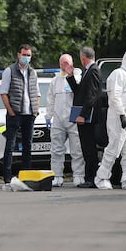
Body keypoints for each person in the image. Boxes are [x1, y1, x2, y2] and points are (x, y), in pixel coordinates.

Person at [95, 47, 126, 190]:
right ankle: (101, 176)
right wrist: (121, 114)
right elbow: (114, 95)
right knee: (114, 148)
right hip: (118, 117)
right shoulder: (118, 74)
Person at [0, 44, 40, 192]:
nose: (26, 57)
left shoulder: (32, 73)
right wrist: (10, 111)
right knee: (10, 146)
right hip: (15, 114)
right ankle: (7, 178)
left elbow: (36, 93)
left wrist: (35, 111)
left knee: (28, 146)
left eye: (29, 55)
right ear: (18, 55)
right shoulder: (9, 71)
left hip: (29, 115)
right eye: (24, 54)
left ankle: (26, 177)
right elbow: (3, 93)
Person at [45, 54, 85, 187]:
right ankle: (56, 175)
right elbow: (51, 100)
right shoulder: (55, 81)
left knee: (77, 149)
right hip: (58, 119)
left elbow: (80, 94)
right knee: (56, 149)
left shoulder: (78, 77)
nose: (65, 66)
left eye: (67, 63)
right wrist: (48, 116)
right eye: (62, 63)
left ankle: (79, 175)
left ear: (72, 63)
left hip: (73, 119)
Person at [66, 46, 101, 188]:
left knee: (89, 148)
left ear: (83, 57)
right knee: (85, 148)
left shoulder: (93, 71)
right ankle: (89, 177)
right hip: (84, 117)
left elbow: (91, 96)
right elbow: (79, 92)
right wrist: (70, 77)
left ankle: (91, 178)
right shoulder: (87, 71)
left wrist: (82, 115)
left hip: (89, 118)